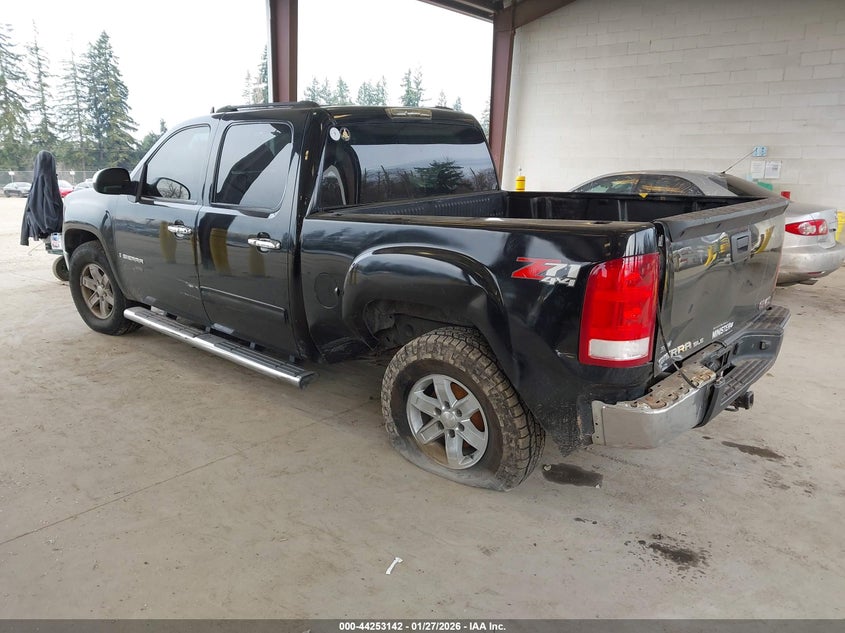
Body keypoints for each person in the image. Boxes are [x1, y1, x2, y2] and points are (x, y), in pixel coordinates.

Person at [20, 150, 64, 246]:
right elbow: (49, 205)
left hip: (39, 224)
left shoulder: (37, 179)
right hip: (49, 226)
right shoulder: (47, 179)